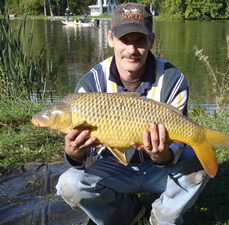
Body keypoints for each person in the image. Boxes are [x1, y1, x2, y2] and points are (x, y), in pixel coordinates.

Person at [56, 3, 210, 225]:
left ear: (152, 41)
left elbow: (177, 147)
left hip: (160, 170)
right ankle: (125, 212)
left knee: (198, 165)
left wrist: (162, 155)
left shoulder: (173, 79)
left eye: (140, 40)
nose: (131, 49)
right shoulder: (91, 83)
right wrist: (74, 154)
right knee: (69, 184)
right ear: (110, 38)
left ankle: (163, 216)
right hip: (112, 167)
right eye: (124, 40)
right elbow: (86, 155)